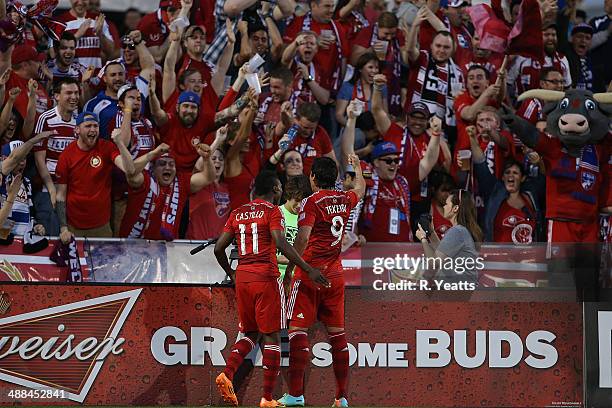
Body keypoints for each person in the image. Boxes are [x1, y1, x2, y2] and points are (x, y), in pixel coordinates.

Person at [213, 170, 327, 408]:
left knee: (250, 333)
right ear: (276, 189)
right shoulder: (273, 211)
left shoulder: (238, 212)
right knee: (273, 336)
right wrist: (307, 268)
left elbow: (218, 249)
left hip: (243, 277)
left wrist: (232, 273)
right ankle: (266, 398)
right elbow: (280, 241)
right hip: (266, 276)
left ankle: (227, 373)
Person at [280, 155, 365, 408]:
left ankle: (296, 395)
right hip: (335, 275)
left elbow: (303, 239)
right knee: (338, 336)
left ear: (313, 177)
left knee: (297, 331)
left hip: (309, 274)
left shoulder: (311, 202)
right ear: (336, 178)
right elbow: (360, 188)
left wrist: (292, 269)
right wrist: (358, 166)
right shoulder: (343, 199)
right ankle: (341, 398)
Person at [54, 112, 146, 241]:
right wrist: (63, 228)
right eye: (88, 126)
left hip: (101, 226)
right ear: (77, 130)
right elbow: (60, 195)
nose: (93, 130)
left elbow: (129, 170)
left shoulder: (107, 147)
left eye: (95, 126)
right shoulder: (66, 156)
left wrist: (119, 143)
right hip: (74, 226)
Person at [115, 134, 213, 241]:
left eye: (171, 164)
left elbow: (208, 177)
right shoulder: (145, 179)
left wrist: (207, 159)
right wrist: (153, 153)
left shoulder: (181, 182)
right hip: (133, 245)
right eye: (162, 163)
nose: (167, 167)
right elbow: (131, 173)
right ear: (153, 168)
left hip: (166, 249)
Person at [469, 129, 542, 244]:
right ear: (502, 177)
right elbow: (481, 165)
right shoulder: (494, 192)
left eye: (515, 173)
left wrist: (539, 162)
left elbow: (544, 178)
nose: (510, 175)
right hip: (499, 258)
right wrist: (472, 139)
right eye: (507, 172)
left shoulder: (531, 195)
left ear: (522, 178)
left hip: (529, 258)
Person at [33, 78, 81, 236]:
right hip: (49, 189)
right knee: (50, 235)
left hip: (72, 191)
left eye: (76, 93)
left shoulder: (79, 122)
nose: (74, 97)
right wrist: (52, 189)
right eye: (69, 93)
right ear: (57, 96)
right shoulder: (45, 119)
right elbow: (40, 159)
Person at [416, 188, 483, 287]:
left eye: (446, 204)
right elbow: (443, 252)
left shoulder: (457, 231)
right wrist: (431, 233)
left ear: (455, 208)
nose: (444, 206)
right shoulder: (461, 230)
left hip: (460, 293)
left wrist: (423, 239)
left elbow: (434, 264)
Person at [276, 175, 311, 282]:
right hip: (275, 277)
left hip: (299, 279)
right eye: (297, 200)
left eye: (303, 201)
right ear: (288, 195)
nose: (300, 205)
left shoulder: (308, 219)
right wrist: (277, 258)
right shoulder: (275, 214)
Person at [335, 52, 385, 127]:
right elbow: (339, 115)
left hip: (376, 130)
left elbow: (385, 112)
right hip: (353, 130)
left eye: (376, 68)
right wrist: (353, 127)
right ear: (360, 69)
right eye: (370, 67)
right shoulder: (348, 87)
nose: (374, 71)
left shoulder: (381, 87)